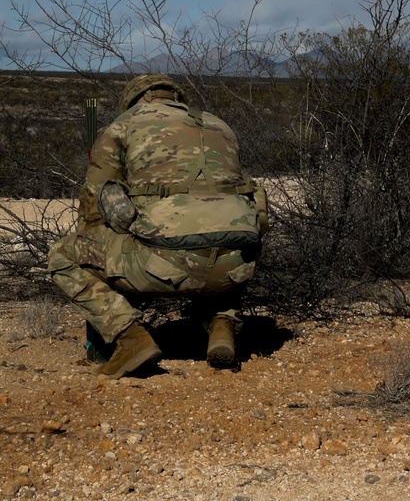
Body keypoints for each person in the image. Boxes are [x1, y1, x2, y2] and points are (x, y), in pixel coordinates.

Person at [48, 74, 266, 380]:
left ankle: (130, 339)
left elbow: (93, 206)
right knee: (221, 229)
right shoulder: (219, 125)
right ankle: (222, 324)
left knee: (63, 255)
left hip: (165, 265)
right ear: (175, 98)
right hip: (235, 268)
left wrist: (107, 241)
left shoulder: (123, 125)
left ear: (134, 100)